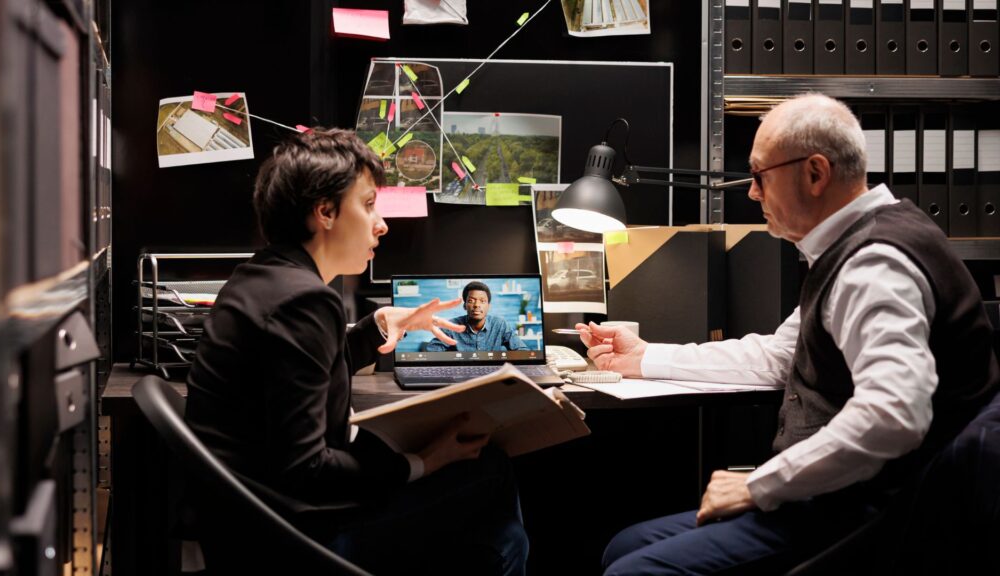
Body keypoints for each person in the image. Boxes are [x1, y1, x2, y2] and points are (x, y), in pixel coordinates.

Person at [577, 93, 1000, 575]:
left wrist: (758, 484)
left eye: (759, 176)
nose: (753, 193)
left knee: (632, 570)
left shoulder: (874, 265)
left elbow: (894, 413)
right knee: (623, 546)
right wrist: (645, 357)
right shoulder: (853, 246)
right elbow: (779, 356)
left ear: (815, 173)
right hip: (830, 496)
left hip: (873, 514)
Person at [185, 127, 528, 575]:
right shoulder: (306, 299)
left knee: (499, 537)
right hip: (297, 540)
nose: (381, 224)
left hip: (245, 527)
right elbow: (306, 467)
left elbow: (298, 377)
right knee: (494, 478)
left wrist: (374, 328)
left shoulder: (261, 277)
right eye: (368, 205)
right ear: (324, 212)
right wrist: (420, 463)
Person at [425, 281, 529, 352]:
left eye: (482, 301)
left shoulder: (500, 325)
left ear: (488, 306)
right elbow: (431, 352)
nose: (477, 305)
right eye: (471, 301)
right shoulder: (452, 326)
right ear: (465, 306)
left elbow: (522, 351)